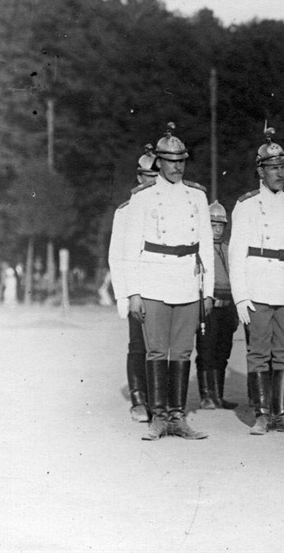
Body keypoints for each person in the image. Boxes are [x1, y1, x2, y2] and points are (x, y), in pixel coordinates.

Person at [123, 123, 213, 441]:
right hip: (153, 279)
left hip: (187, 280)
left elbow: (206, 248)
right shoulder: (143, 198)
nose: (176, 167)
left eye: (181, 161)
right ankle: (158, 416)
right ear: (158, 162)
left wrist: (208, 291)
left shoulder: (197, 197)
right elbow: (131, 248)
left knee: (183, 351)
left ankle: (177, 416)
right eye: (170, 161)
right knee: (157, 350)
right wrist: (132, 292)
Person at [228, 125, 284, 435]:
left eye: (282, 167)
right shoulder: (247, 204)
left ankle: (282, 414)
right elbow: (236, 253)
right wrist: (240, 296)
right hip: (259, 286)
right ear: (260, 171)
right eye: (273, 168)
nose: (279, 173)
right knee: (258, 353)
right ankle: (262, 414)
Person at [108, 144, 159, 423]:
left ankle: (159, 398)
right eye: (148, 177)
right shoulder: (126, 211)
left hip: (163, 287)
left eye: (157, 177)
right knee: (138, 344)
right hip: (137, 288)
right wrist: (123, 296)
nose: (153, 183)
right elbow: (117, 255)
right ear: (139, 178)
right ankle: (139, 399)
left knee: (162, 346)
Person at [195, 200, 239, 410]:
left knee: (223, 351)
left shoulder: (229, 249)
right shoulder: (200, 249)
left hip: (228, 305)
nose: (217, 229)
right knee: (206, 351)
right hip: (208, 306)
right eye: (213, 225)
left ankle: (218, 395)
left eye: (220, 225)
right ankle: (206, 396)